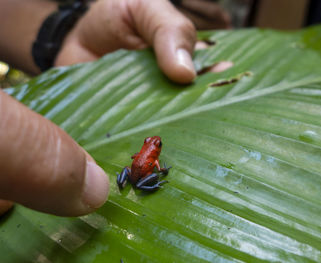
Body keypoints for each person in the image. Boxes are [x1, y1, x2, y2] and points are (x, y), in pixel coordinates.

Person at [0, 0, 199, 217]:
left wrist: (64, 37)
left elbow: (136, 158)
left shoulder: (143, 154)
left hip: (133, 172)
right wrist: (162, 171)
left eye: (153, 143)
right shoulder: (155, 158)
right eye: (154, 143)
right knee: (155, 178)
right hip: (141, 177)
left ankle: (125, 183)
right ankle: (150, 186)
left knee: (130, 172)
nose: (153, 144)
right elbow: (158, 168)